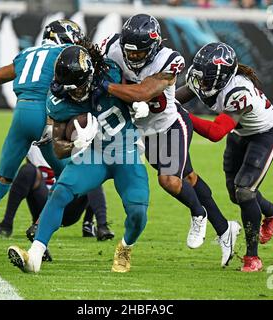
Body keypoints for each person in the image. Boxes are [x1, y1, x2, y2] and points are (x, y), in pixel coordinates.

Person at [98, 14, 241, 267]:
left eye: (139, 52)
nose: (132, 57)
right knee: (190, 180)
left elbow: (143, 92)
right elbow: (102, 68)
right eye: (128, 51)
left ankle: (198, 214)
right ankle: (224, 229)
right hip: (145, 131)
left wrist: (106, 87)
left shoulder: (169, 59)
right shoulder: (112, 47)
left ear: (153, 46)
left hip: (170, 125)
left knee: (169, 181)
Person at [7, 44, 149, 273]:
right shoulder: (57, 99)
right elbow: (58, 148)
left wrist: (138, 102)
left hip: (125, 150)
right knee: (60, 192)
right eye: (68, 88)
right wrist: (75, 143)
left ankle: (125, 247)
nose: (74, 93)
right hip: (93, 154)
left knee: (138, 213)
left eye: (78, 87)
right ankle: (34, 255)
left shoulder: (111, 72)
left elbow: (140, 87)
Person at [0, 19, 85, 260]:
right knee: (69, 180)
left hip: (20, 114)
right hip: (45, 116)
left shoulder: (27, 53)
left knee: (0, 182)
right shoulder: (63, 54)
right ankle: (39, 231)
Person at [175, 42, 273, 272]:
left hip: (264, 134)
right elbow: (174, 100)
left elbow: (215, 133)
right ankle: (272, 211)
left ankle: (252, 257)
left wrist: (181, 114)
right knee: (236, 195)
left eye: (205, 78)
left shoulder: (238, 92)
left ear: (221, 77)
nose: (199, 83)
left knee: (245, 192)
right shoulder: (206, 80)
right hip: (240, 133)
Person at [0, 144, 114, 241]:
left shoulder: (75, 134)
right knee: (27, 170)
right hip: (44, 204)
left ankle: (96, 225)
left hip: (69, 204)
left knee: (91, 173)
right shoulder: (32, 141)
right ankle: (8, 224)